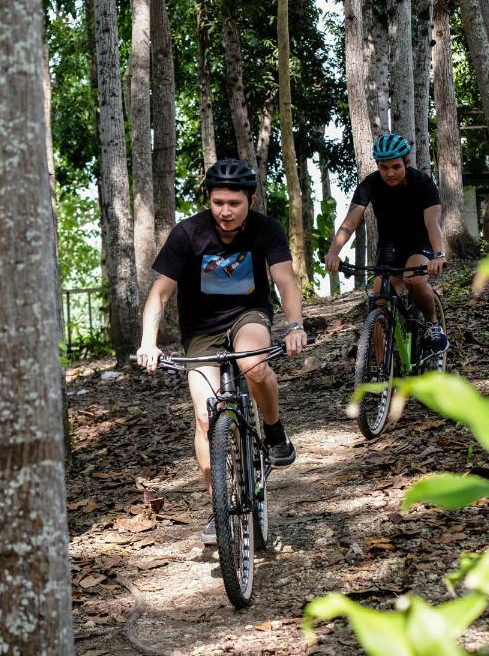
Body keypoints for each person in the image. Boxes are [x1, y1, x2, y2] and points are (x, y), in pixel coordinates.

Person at [136, 158, 308, 545]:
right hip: (200, 330)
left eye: (234, 202)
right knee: (203, 414)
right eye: (217, 203)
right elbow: (159, 294)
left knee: (254, 366)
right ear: (208, 201)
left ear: (250, 199)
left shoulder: (267, 229)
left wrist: (295, 325)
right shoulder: (188, 233)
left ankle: (274, 430)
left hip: (247, 315)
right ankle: (220, 508)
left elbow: (284, 280)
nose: (225, 211)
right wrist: (148, 341)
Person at [324, 132, 449, 353]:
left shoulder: (423, 183)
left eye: (395, 167)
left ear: (406, 163)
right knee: (378, 301)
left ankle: (431, 323)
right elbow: (350, 222)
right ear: (377, 166)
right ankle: (381, 373)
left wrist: (439, 254)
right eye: (384, 168)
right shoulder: (370, 184)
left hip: (419, 243)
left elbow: (433, 224)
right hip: (389, 247)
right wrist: (333, 252)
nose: (390, 173)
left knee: (415, 280)